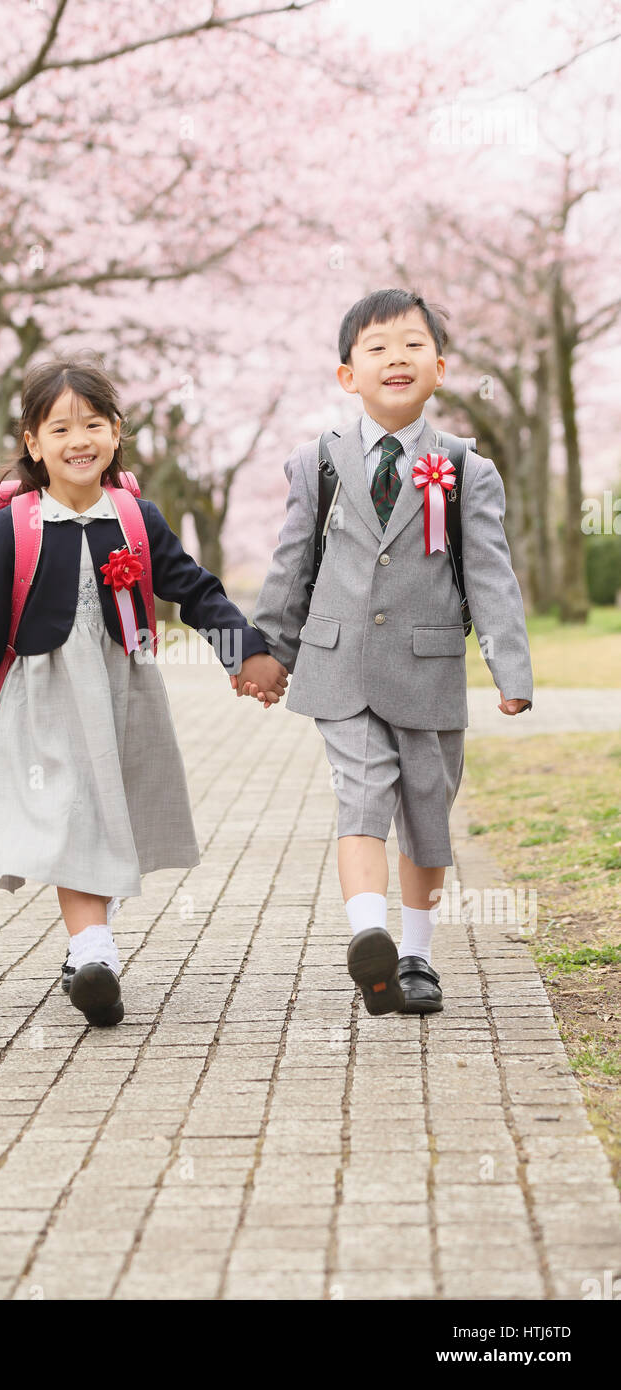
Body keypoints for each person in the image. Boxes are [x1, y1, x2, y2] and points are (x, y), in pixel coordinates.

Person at [0, 356, 287, 1027]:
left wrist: (246, 655)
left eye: (93, 423)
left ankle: (86, 948)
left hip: (123, 691)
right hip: (44, 698)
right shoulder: (16, 526)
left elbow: (196, 591)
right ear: (33, 443)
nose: (79, 439)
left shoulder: (135, 517)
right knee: (72, 814)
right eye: (59, 427)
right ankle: (94, 953)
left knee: (108, 814)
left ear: (117, 431)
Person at [241, 288, 534, 1017]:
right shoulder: (317, 463)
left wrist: (510, 668)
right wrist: (269, 651)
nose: (394, 358)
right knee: (362, 792)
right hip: (337, 665)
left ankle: (417, 955)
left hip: (428, 668)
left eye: (411, 345)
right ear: (348, 375)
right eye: (375, 348)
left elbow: (491, 576)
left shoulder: (468, 469)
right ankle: (368, 934)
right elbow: (291, 565)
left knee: (428, 814)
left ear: (439, 366)